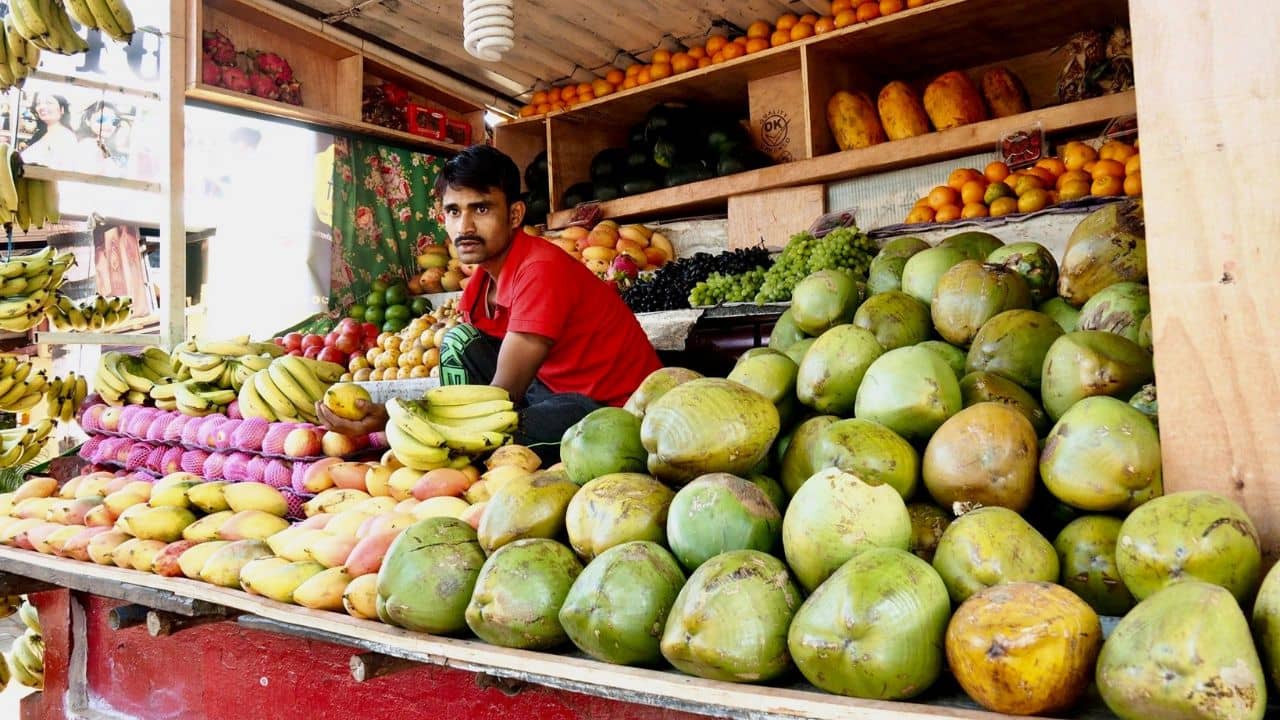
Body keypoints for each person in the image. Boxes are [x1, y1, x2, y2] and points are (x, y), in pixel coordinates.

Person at [434, 145, 662, 462]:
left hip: (615, 414)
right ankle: (458, 448)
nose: (465, 227)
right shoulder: (479, 287)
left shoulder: (540, 269)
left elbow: (504, 393)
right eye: (454, 211)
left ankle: (458, 451)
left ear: (514, 215)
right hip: (554, 392)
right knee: (459, 343)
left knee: (500, 439)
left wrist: (413, 424)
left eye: (481, 209)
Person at [21, 94, 78, 168]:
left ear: (62, 109)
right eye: (38, 103)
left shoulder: (66, 137)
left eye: (49, 103)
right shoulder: (41, 134)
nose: (42, 107)